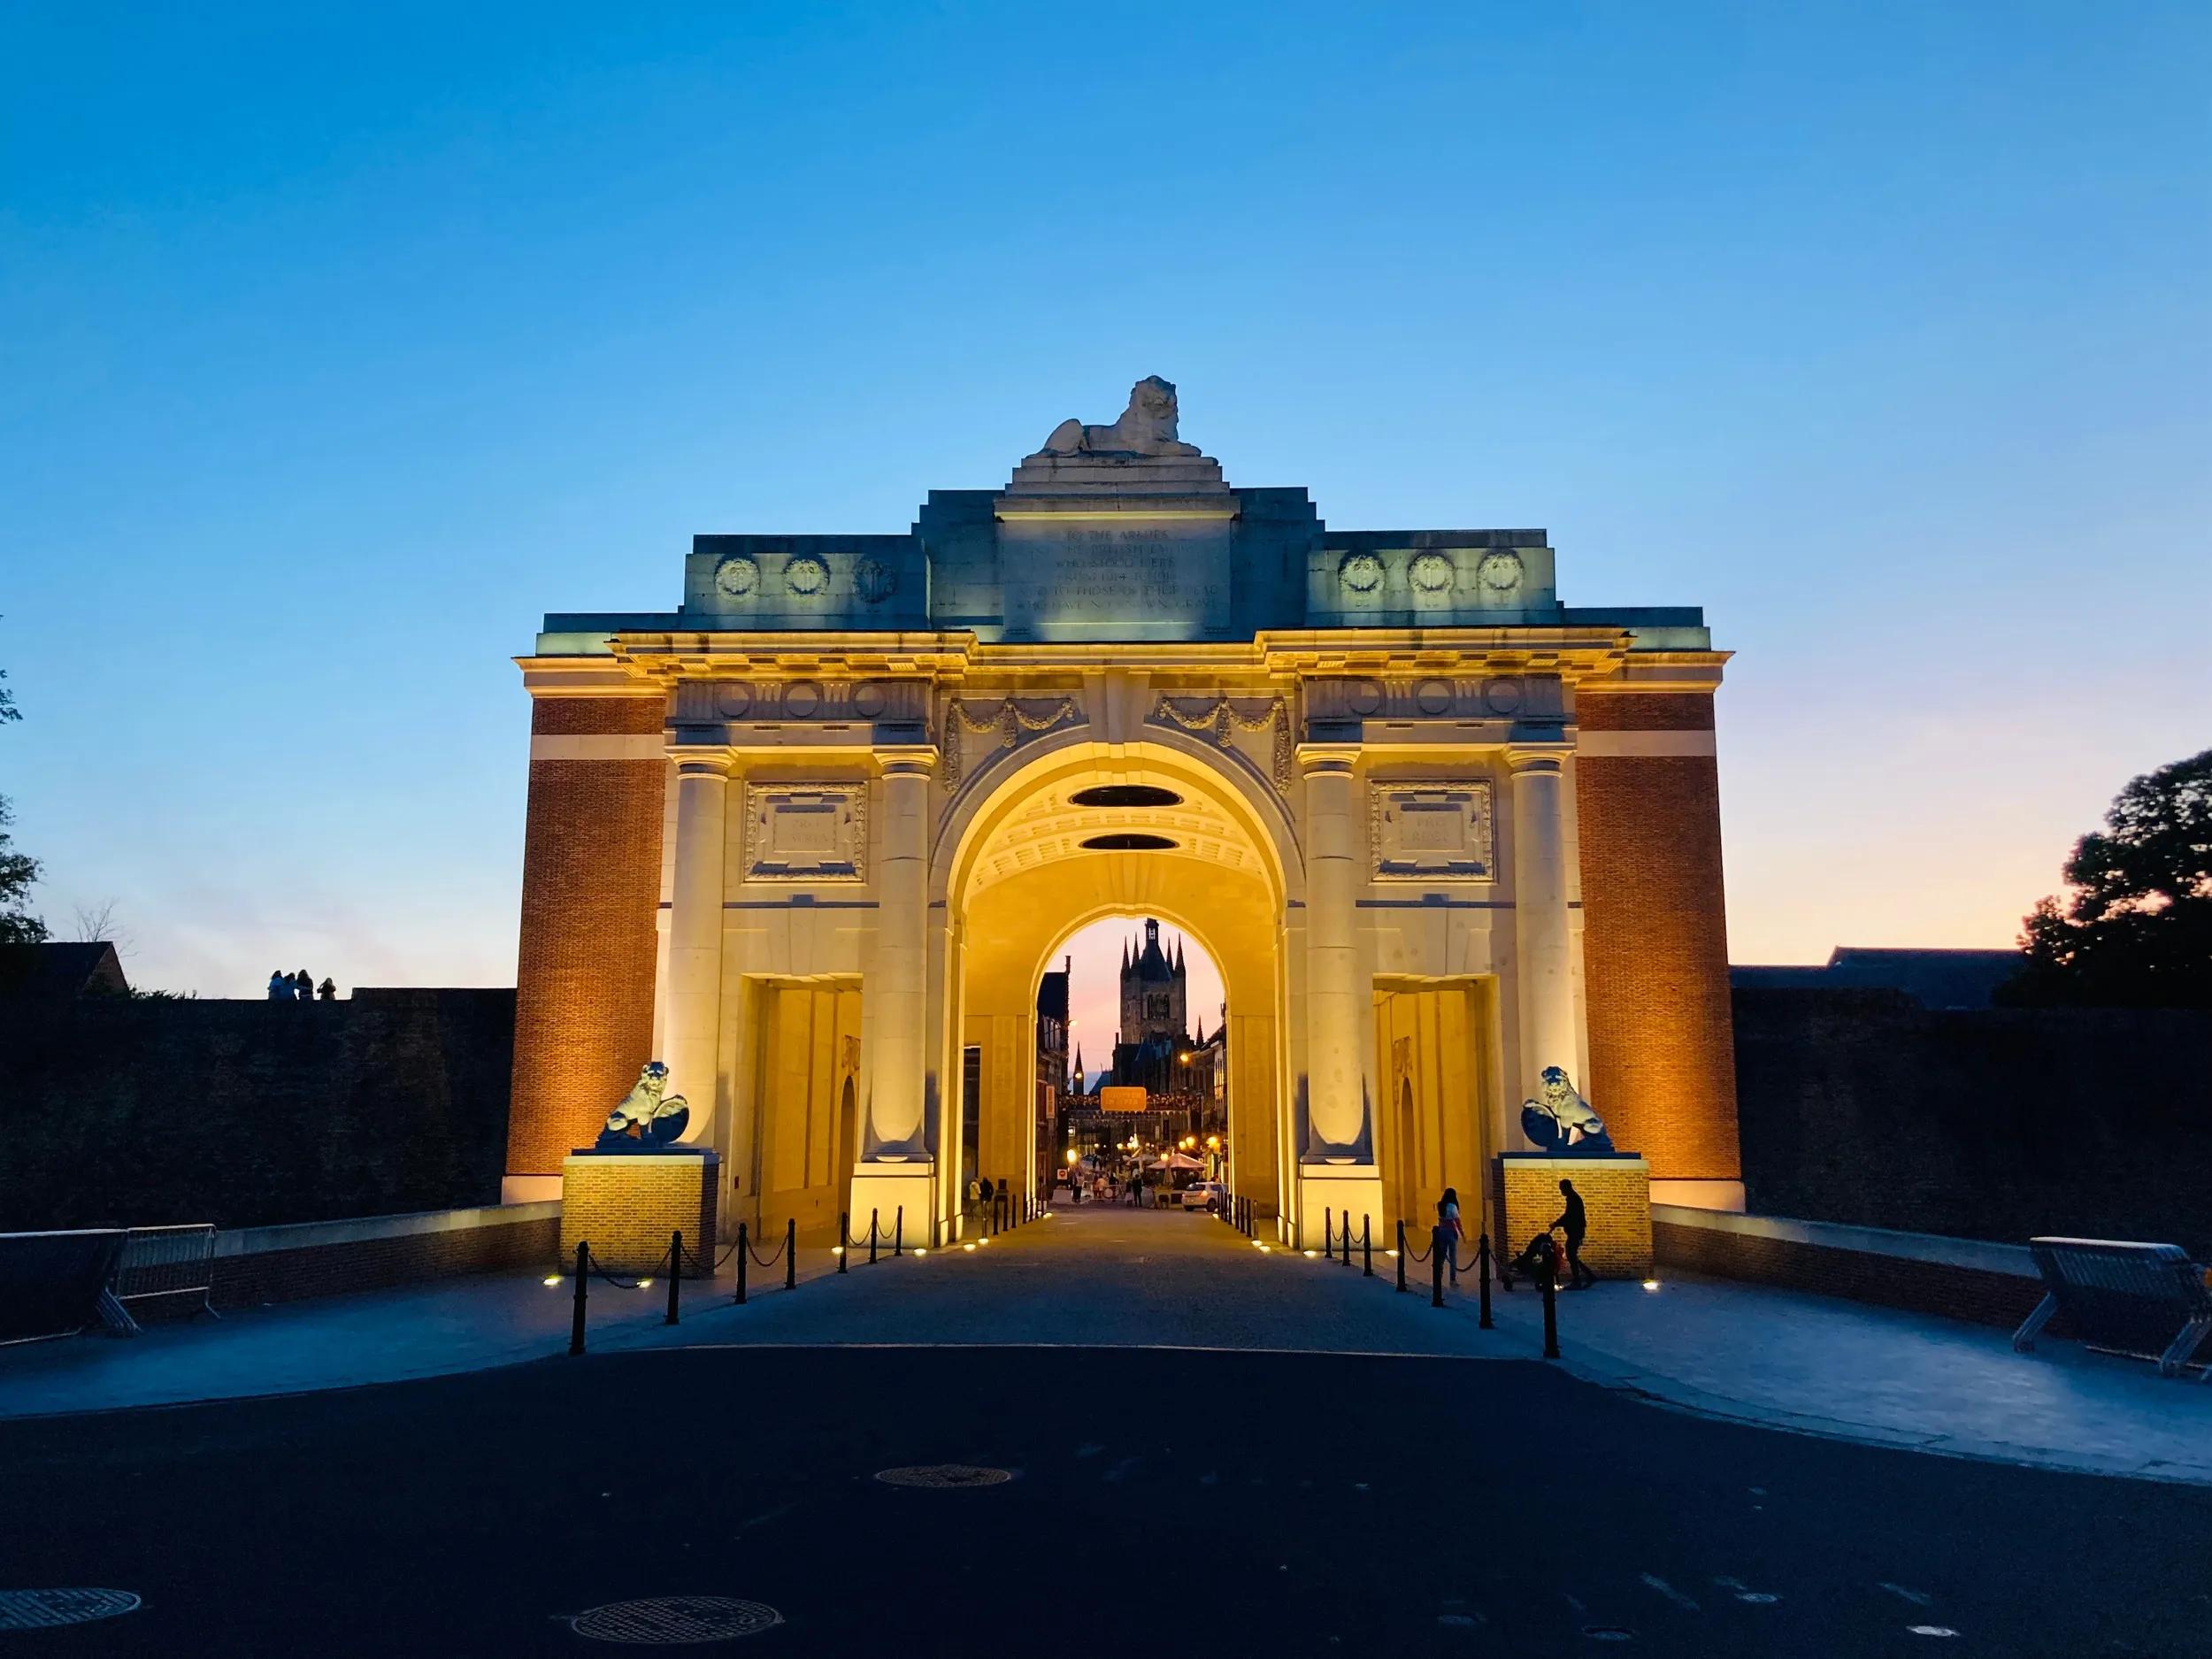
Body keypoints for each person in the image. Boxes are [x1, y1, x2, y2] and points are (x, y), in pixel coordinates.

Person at [1553, 1178, 1595, 1289]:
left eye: (1562, 1189)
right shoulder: (1573, 1198)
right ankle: (1588, 1275)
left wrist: (1556, 1223)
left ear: (1567, 1187)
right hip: (1576, 1231)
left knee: (1571, 1255)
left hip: (1575, 1232)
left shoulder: (1573, 1199)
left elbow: (1569, 1216)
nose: (1561, 1191)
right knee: (1572, 1255)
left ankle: (1578, 1280)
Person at [1436, 1187, 1464, 1281]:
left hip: (1442, 1231)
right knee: (1452, 1256)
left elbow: (1440, 1220)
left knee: (1442, 1255)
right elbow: (1457, 1221)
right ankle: (1453, 1278)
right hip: (1451, 1232)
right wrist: (1462, 1234)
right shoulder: (1453, 1207)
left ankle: (1439, 1274)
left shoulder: (1440, 1205)